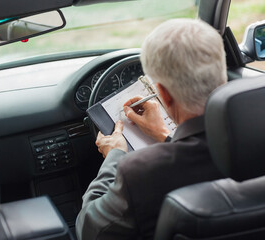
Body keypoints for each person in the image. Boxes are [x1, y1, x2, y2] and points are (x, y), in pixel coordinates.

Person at [76, 18, 227, 240]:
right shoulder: (254, 138)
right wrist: (165, 136)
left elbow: (89, 230)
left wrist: (115, 157)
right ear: (223, 74)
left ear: (162, 94)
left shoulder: (140, 172)